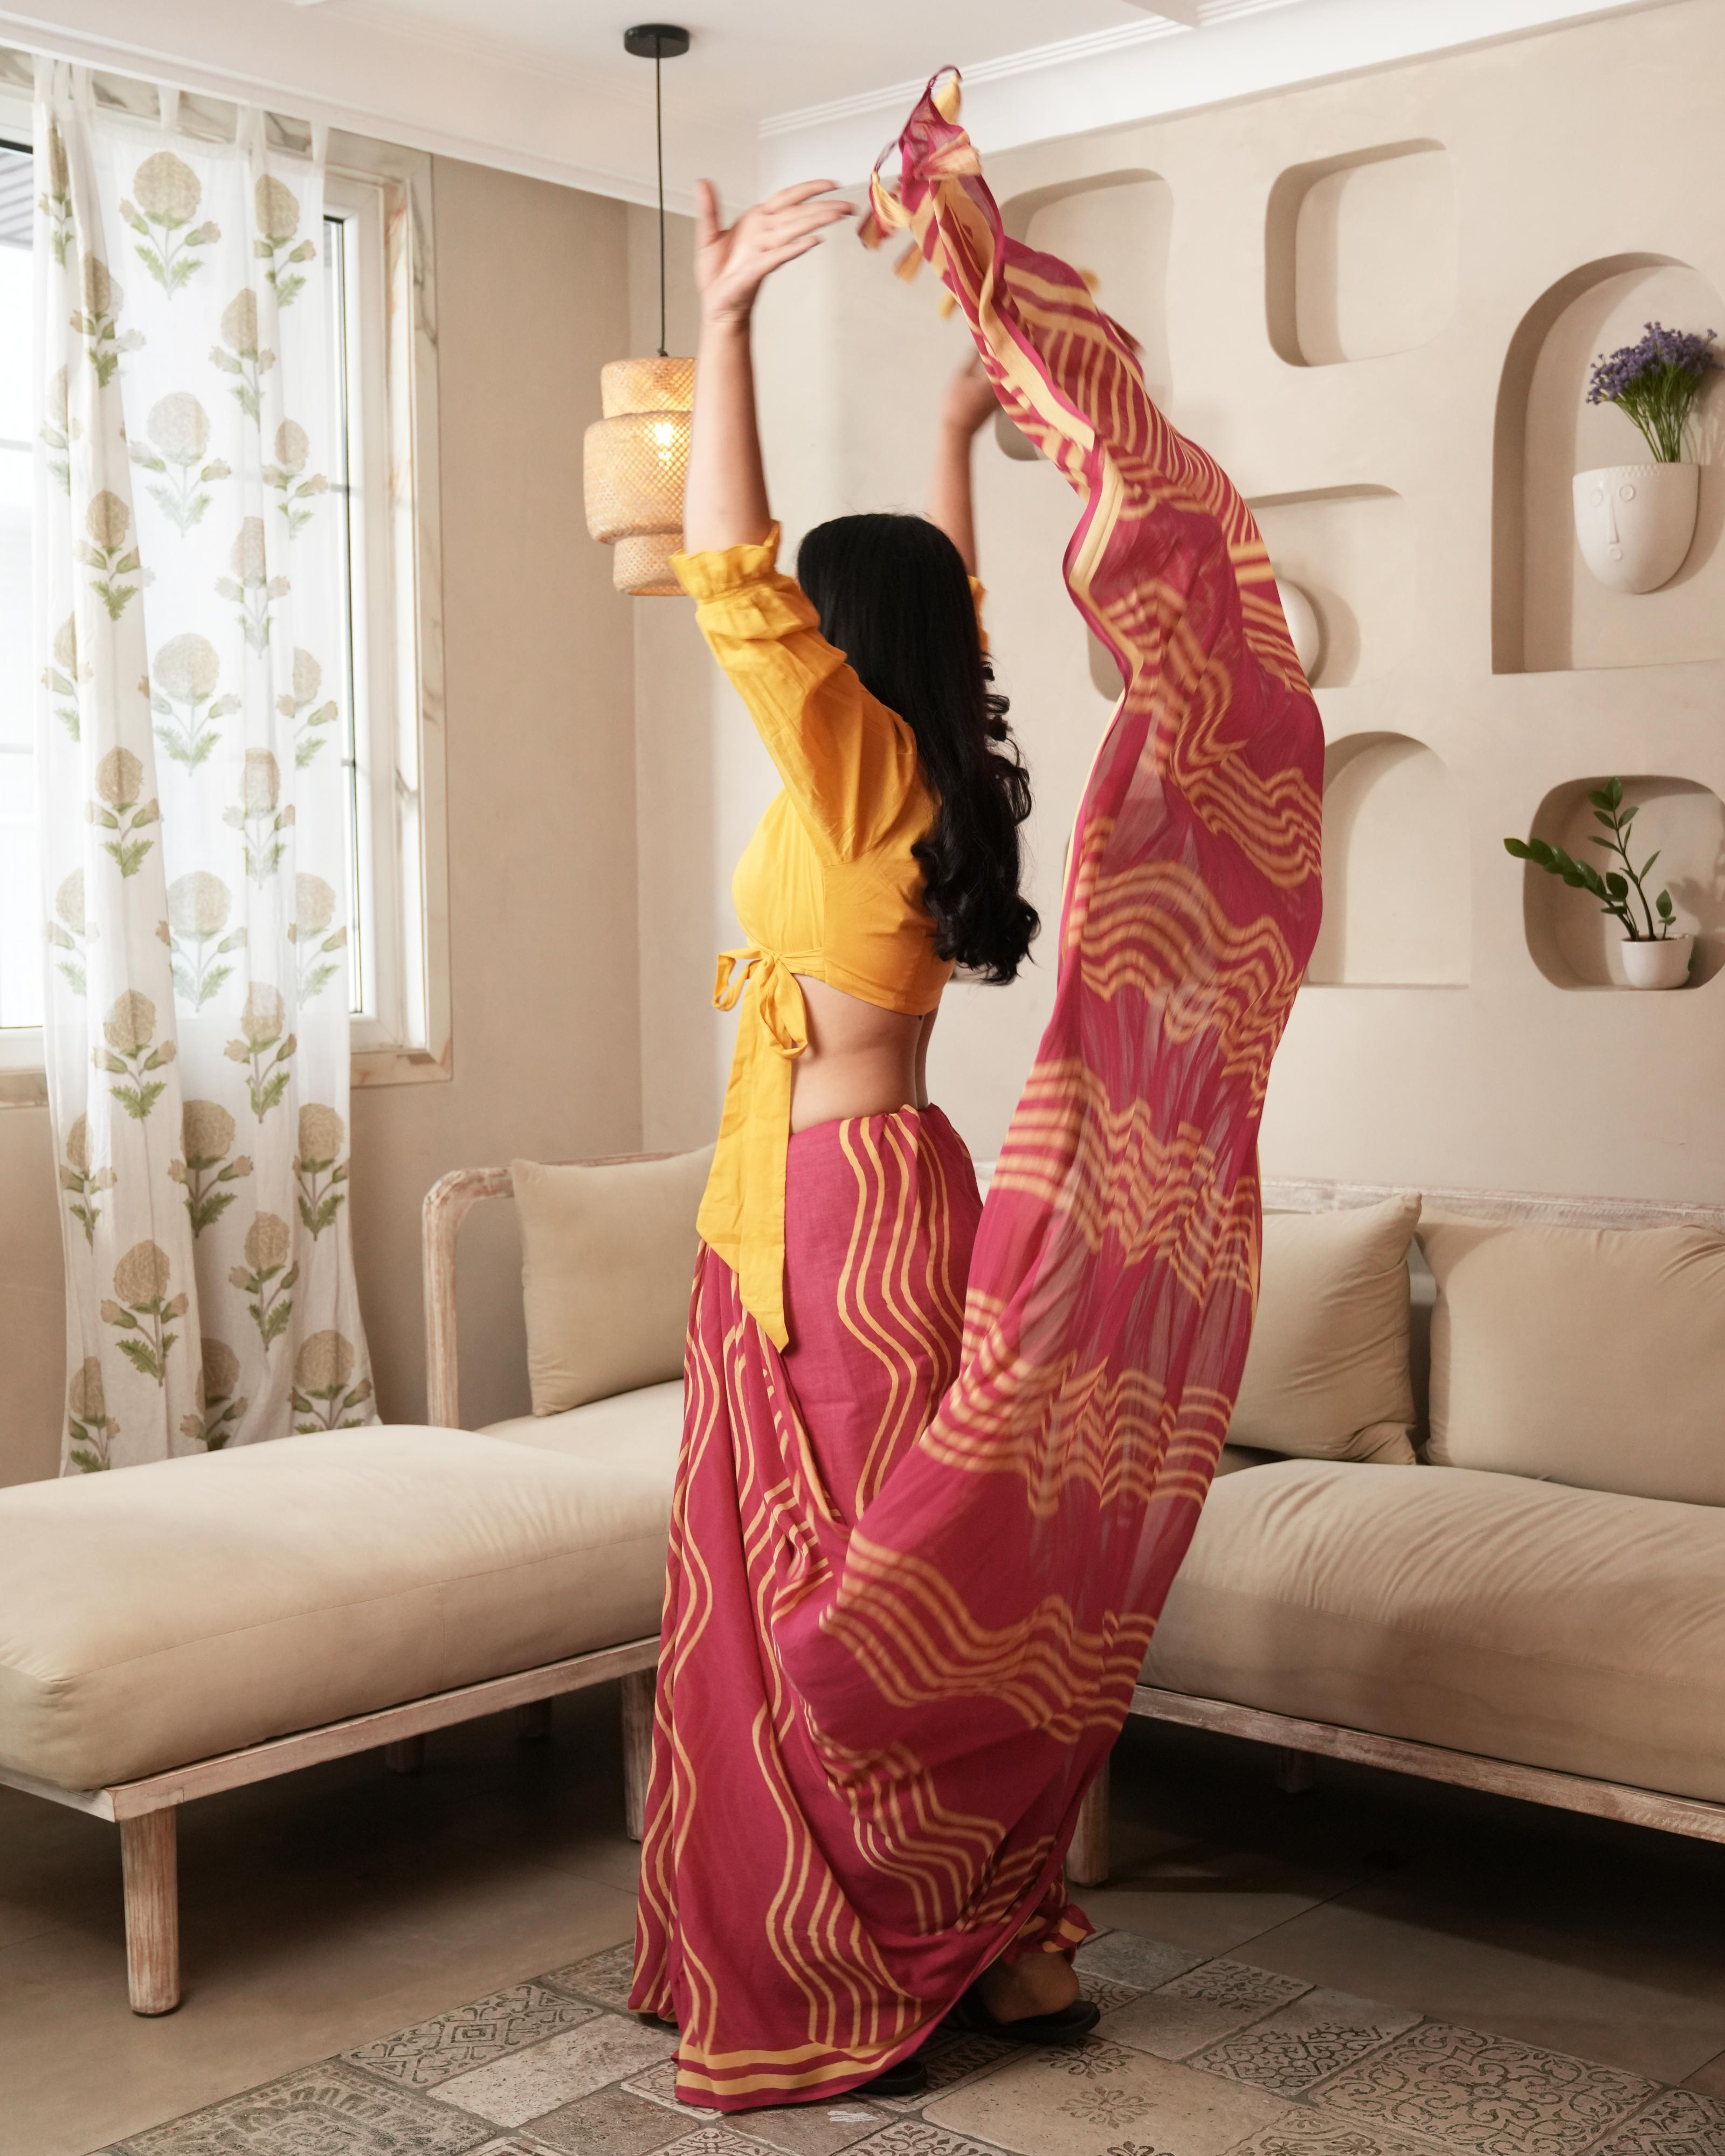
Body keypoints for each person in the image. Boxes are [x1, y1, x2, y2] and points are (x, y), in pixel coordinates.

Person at [627, 177, 1101, 2109]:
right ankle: (1009, 1952)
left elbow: (723, 562)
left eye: (823, 627)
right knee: (934, 1580)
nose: (791, 646)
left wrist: (724, 319)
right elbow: (955, 614)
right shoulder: (941, 767)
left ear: (843, 643)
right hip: (924, 1190)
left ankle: (866, 1949)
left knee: (833, 1595)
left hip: (824, 1212)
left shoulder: (847, 763)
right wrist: (940, 437)